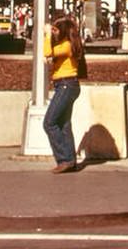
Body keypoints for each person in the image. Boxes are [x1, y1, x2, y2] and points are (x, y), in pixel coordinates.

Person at [42, 14, 87, 173]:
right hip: (66, 85)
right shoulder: (66, 45)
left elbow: (47, 52)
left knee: (49, 122)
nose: (54, 33)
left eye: (56, 30)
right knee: (64, 124)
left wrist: (47, 35)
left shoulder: (67, 45)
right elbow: (50, 55)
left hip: (66, 85)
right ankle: (70, 160)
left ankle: (65, 159)